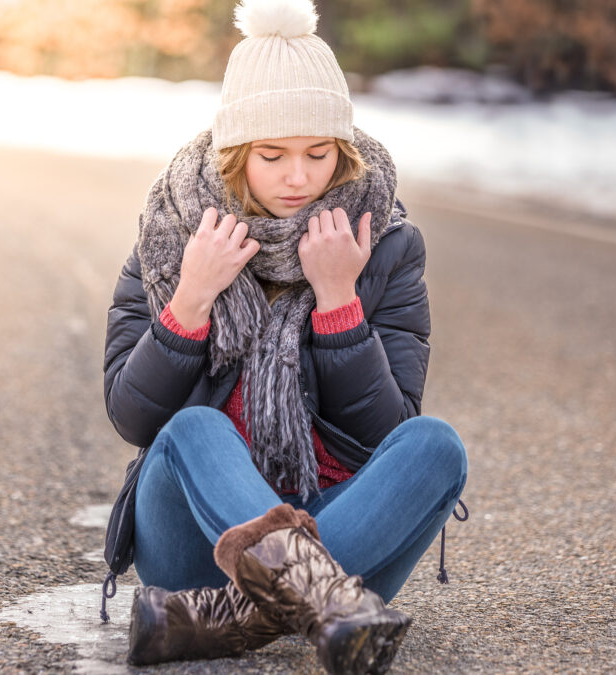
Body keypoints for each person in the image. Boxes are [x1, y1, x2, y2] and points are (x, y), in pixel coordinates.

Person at [102, 0, 467, 672]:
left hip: (341, 527)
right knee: (192, 431)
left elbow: (385, 433)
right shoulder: (172, 238)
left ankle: (228, 619)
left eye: (318, 154)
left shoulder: (386, 245)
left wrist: (338, 303)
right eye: (272, 155)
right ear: (234, 153)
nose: (298, 177)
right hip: (193, 544)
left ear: (345, 152)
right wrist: (191, 298)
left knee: (436, 445)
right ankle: (325, 601)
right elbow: (133, 416)